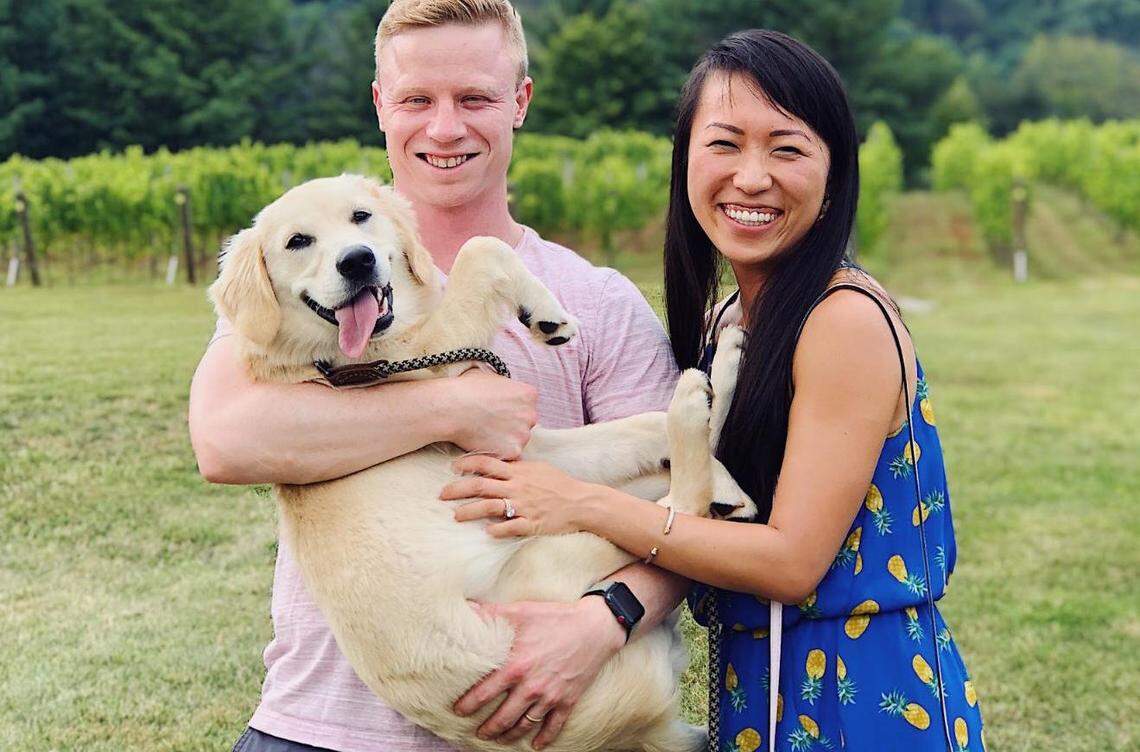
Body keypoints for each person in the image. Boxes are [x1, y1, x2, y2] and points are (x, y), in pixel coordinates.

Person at [441, 29, 986, 752]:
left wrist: (577, 500)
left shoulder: (843, 320)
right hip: (762, 687)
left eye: (786, 149)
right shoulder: (732, 319)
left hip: (866, 701)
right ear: (686, 161)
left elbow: (792, 562)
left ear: (833, 175)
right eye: (724, 144)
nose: (752, 177)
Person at [188, 1, 683, 750]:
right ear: (381, 103)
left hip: (543, 721)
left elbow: (690, 512)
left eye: (475, 98)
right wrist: (453, 411)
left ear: (520, 101)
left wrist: (606, 615)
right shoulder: (300, 288)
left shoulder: (597, 301)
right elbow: (225, 441)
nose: (445, 128)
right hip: (315, 729)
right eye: (418, 99)